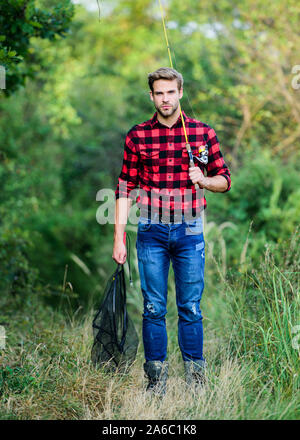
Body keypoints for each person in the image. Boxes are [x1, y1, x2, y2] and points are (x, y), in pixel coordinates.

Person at [113, 67, 231, 395]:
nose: (165, 99)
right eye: (158, 93)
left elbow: (225, 179)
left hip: (189, 231)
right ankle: (157, 384)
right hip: (150, 230)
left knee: (190, 307)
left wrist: (204, 179)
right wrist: (119, 236)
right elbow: (124, 186)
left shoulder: (202, 133)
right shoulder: (137, 135)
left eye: (170, 92)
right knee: (153, 307)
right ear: (151, 96)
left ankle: (196, 383)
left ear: (180, 92)